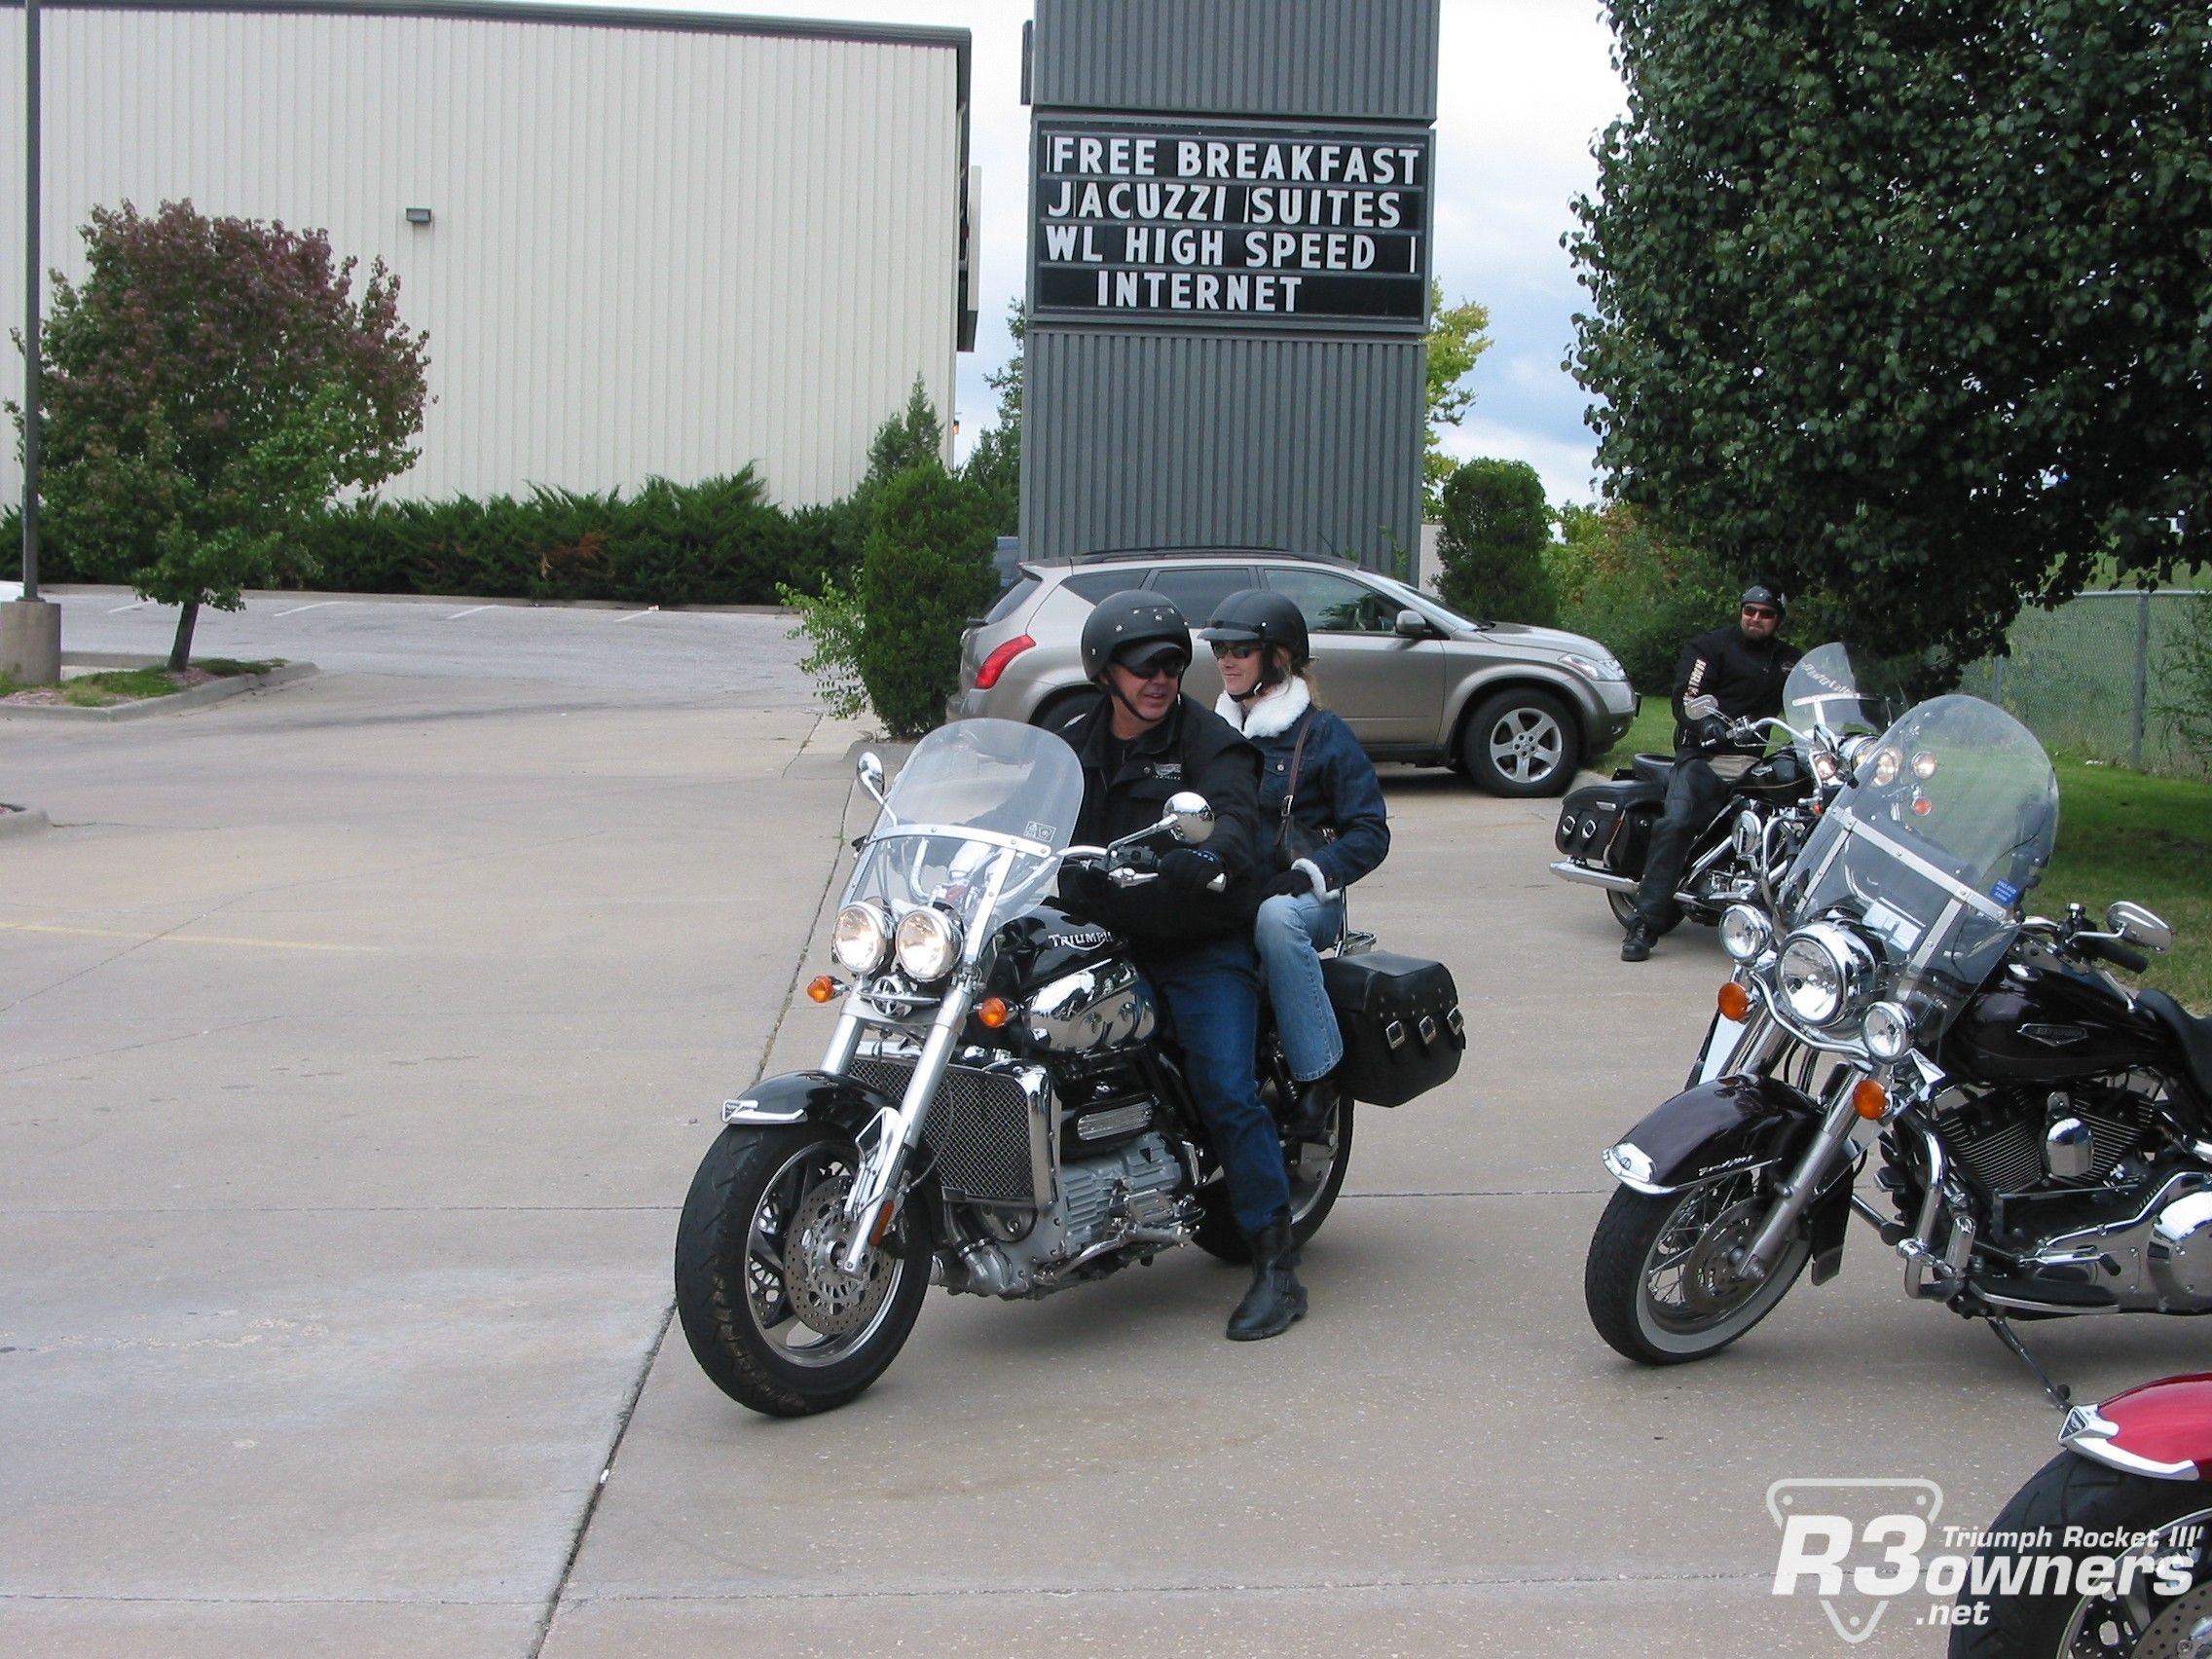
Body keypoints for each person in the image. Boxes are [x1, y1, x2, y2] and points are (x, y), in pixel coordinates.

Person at [1053, 590, 1308, 1342]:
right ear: (1106, 671)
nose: (1159, 677)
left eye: (1170, 662)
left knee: (1225, 1086)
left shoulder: (1209, 744)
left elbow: (1234, 816)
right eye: (1141, 665)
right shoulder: (1073, 742)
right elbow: (1024, 810)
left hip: (1198, 943)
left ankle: (1276, 1265)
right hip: (1100, 938)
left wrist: (1213, 857)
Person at [1198, 589, 1389, 1140]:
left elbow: (1371, 833)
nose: (1226, 659)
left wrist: (1307, 873)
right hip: (1227, 891)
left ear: (1276, 656)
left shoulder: (1323, 734)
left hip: (1306, 903)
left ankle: (1321, 1075)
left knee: (1274, 920)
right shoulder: (1211, 734)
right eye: (1219, 649)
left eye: (1240, 648)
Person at [1621, 583, 1801, 962]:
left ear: (1778, 620)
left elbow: (1814, 693)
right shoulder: (1710, 647)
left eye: (1765, 614)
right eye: (1750, 611)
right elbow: (1685, 698)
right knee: (1678, 822)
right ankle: (1643, 924)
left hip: (1754, 762)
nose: (1756, 618)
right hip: (1705, 756)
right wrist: (1705, 726)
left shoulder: (1788, 659)